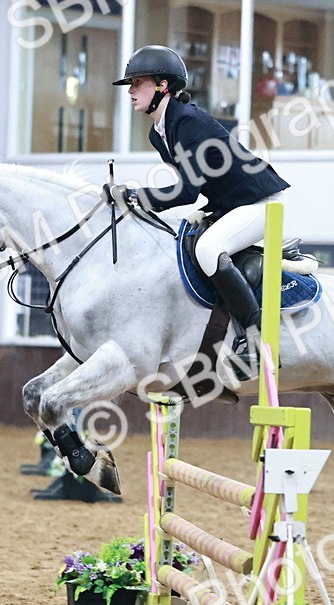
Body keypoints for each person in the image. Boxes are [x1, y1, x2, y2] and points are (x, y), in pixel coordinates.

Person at [107, 45, 290, 370]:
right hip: (231, 204)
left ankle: (255, 334)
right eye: (130, 85)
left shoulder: (187, 122)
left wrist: (136, 195)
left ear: (163, 86)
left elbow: (187, 191)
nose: (131, 91)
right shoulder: (159, 133)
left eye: (138, 83)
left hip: (261, 202)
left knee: (208, 249)